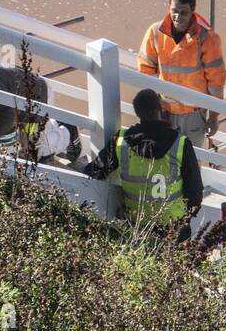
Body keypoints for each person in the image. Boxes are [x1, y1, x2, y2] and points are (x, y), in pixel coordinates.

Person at [86, 88, 203, 242]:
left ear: (137, 113)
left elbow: (95, 171)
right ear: (160, 109)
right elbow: (195, 192)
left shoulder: (121, 142)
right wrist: (185, 218)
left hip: (136, 225)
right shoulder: (180, 143)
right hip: (173, 227)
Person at [137, 0, 225, 150]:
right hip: (163, 111)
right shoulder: (155, 32)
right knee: (163, 160)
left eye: (183, 12)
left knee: (191, 161)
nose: (177, 17)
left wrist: (214, 116)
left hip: (193, 114)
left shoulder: (207, 39)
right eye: (174, 11)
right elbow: (145, 69)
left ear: (193, 10)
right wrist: (153, 107)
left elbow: (216, 82)